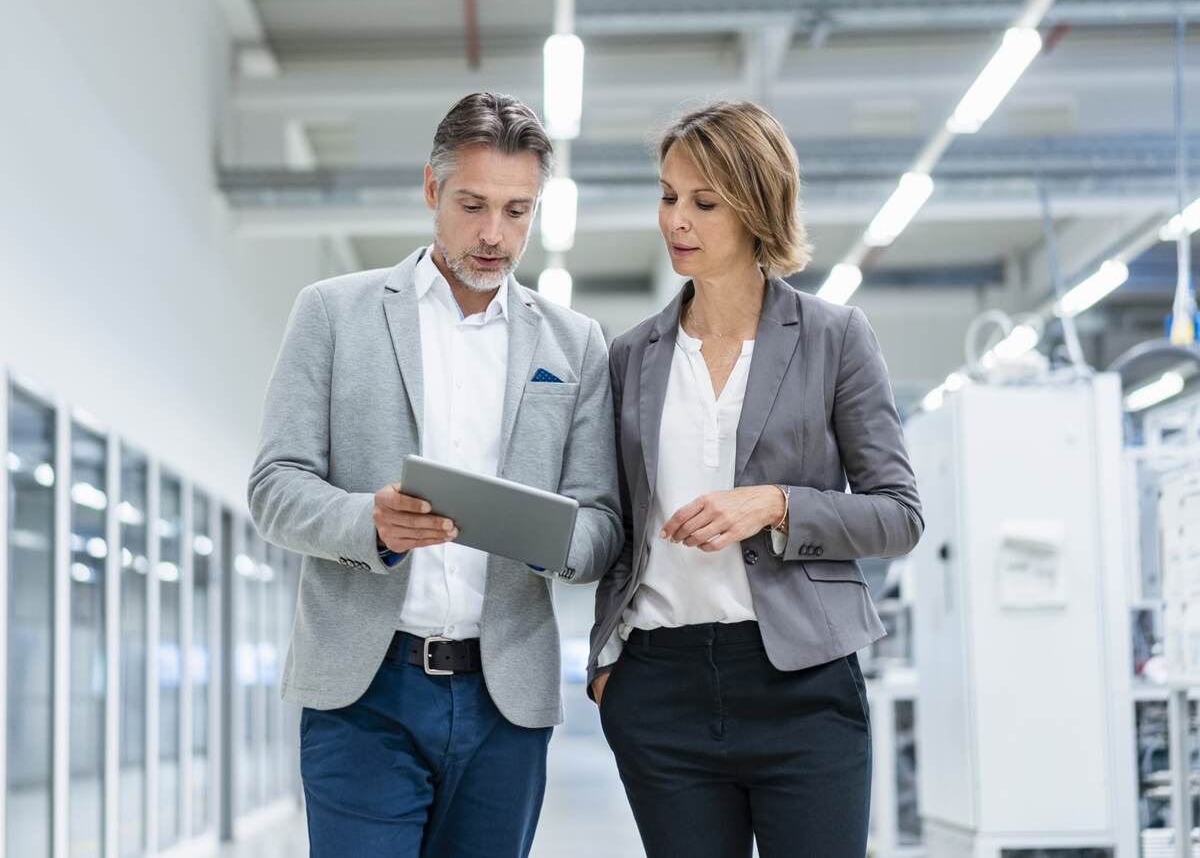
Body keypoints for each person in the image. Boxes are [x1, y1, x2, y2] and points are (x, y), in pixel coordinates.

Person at [248, 91, 622, 858]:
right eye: (473, 204)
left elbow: (602, 523)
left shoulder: (575, 344)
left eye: (518, 211)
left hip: (504, 702)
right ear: (431, 189)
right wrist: (369, 523)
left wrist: (551, 540)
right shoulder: (332, 313)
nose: (494, 235)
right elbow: (275, 486)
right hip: (364, 694)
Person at [588, 100, 924, 858]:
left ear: (757, 207)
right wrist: (607, 670)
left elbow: (898, 514)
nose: (678, 219)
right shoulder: (631, 356)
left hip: (800, 683)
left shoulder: (836, 339)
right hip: (660, 685)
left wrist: (777, 505)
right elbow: (616, 522)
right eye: (670, 196)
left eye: (704, 203)